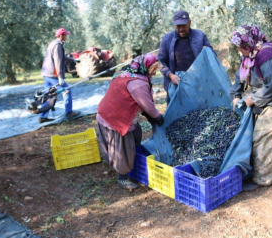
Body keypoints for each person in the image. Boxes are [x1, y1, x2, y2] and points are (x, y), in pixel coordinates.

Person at [229, 24, 272, 192]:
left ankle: (262, 179)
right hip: (265, 99)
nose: (239, 50)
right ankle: (257, 167)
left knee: (263, 137)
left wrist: (252, 99)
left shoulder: (266, 55)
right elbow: (238, 81)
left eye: (240, 46)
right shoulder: (247, 57)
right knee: (254, 135)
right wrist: (236, 96)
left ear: (248, 43)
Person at [96, 53, 164, 190]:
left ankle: (134, 161)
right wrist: (157, 118)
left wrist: (151, 117)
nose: (155, 72)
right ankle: (122, 177)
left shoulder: (128, 73)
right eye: (153, 68)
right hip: (115, 118)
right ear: (146, 66)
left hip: (110, 112)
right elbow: (148, 106)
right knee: (123, 148)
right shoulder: (137, 83)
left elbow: (141, 103)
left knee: (137, 134)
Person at [158, 10, 214, 103]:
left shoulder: (200, 36)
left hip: (198, 83)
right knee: (177, 113)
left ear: (190, 22)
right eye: (178, 26)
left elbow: (211, 54)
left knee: (198, 111)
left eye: (183, 25)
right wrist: (170, 75)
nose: (181, 29)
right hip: (176, 83)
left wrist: (207, 51)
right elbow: (160, 61)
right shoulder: (167, 39)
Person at [40, 28, 81, 123]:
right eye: (65, 35)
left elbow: (62, 57)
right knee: (66, 90)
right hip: (53, 74)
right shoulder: (58, 45)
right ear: (61, 36)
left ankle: (43, 117)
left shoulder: (53, 43)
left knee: (48, 95)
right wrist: (60, 77)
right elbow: (58, 61)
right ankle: (69, 113)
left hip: (46, 74)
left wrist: (73, 60)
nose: (66, 37)